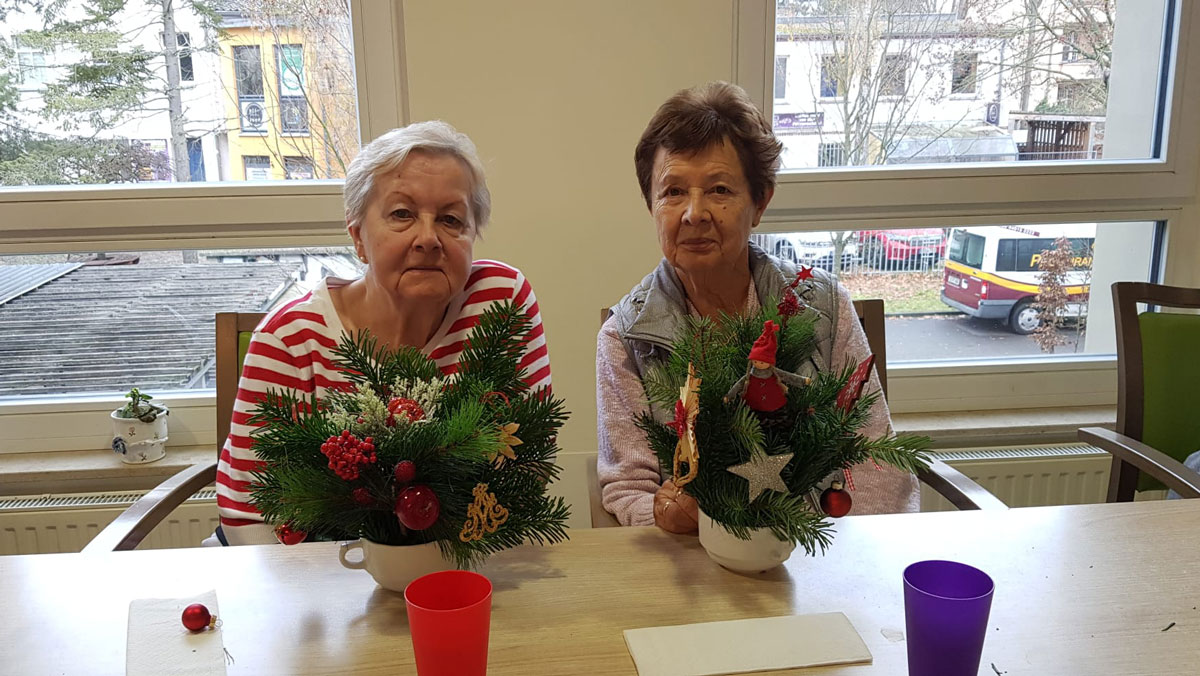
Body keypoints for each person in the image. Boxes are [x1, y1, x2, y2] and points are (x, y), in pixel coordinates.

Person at [596, 82, 918, 533]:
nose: (694, 213)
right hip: (691, 560)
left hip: (820, 549)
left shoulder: (822, 308)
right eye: (673, 192)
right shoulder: (626, 337)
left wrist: (850, 562)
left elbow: (876, 465)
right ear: (651, 204)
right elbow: (630, 488)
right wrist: (676, 520)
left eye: (719, 189)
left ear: (760, 202)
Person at [213, 121, 551, 545]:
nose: (428, 239)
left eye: (451, 219)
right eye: (402, 214)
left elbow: (528, 462)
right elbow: (246, 515)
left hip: (458, 553)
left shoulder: (501, 301)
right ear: (358, 237)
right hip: (314, 561)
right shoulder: (289, 340)